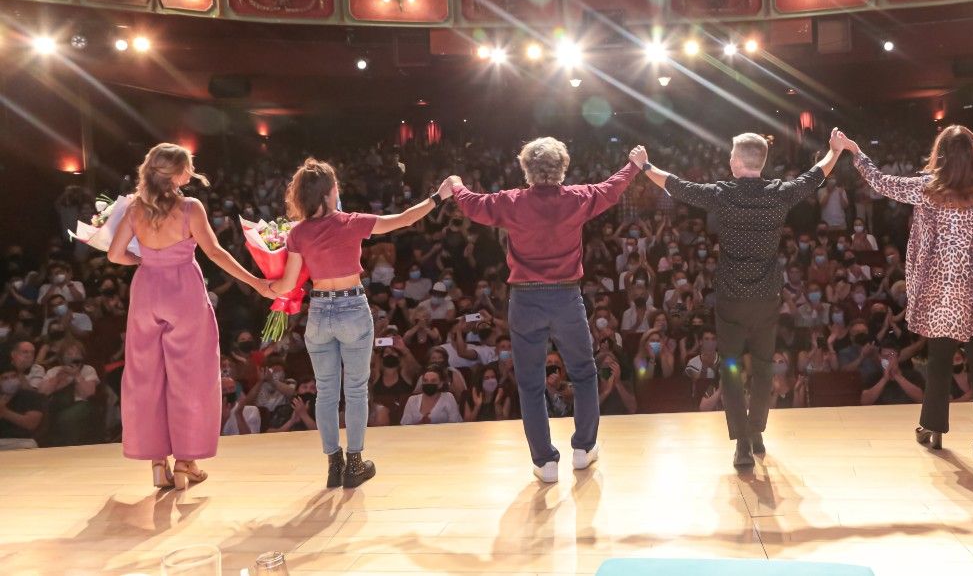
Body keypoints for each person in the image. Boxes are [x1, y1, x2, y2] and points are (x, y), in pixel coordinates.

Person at [635, 131, 844, 469]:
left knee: (731, 370)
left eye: (731, 155)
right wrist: (834, 152)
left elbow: (675, 185)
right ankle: (756, 431)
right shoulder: (779, 193)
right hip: (765, 298)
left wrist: (644, 165)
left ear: (736, 161)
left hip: (732, 298)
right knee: (763, 369)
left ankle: (743, 443)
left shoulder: (723, 194)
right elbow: (816, 175)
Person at [444, 138, 643, 483]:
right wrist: (634, 164)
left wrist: (457, 186)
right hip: (566, 297)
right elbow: (612, 189)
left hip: (525, 300)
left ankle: (544, 461)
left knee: (530, 382)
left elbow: (473, 206)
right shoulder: (577, 198)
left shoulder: (512, 202)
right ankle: (583, 448)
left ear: (527, 169)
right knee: (583, 373)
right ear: (562, 168)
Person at [841, 126, 973, 466]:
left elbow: (881, 182)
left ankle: (933, 429)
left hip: (945, 288)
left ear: (941, 154)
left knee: (939, 358)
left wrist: (855, 151)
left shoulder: (927, 189)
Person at [271, 158, 449, 488]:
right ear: (328, 192)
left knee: (325, 393)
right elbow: (404, 219)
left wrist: (261, 284)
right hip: (352, 307)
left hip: (320, 312)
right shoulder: (350, 222)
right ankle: (354, 464)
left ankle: (333, 464)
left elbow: (286, 285)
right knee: (355, 391)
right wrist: (438, 197)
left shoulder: (298, 233)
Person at [108, 143, 275, 490]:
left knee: (147, 377)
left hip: (145, 293)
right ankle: (185, 462)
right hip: (183, 290)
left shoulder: (136, 207)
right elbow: (214, 252)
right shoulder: (189, 207)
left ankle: (157, 463)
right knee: (191, 377)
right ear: (178, 172)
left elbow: (114, 254)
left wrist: (146, 262)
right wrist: (255, 282)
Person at [0, 359, 45, 450]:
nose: (10, 381)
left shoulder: (31, 397)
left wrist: (4, 412)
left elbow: (31, 423)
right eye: (5, 378)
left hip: (23, 442)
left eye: (13, 376)